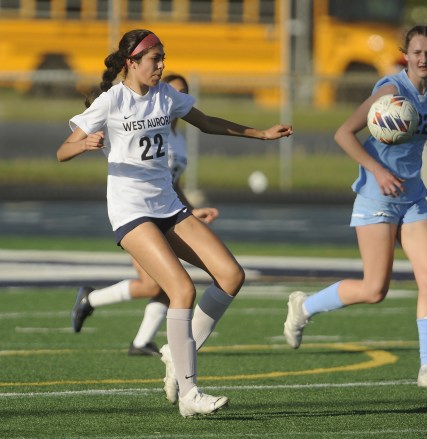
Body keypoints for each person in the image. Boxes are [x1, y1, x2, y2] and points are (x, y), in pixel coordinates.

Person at [57, 29, 292, 417]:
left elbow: (208, 122)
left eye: (163, 57)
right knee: (181, 290)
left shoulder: (166, 96)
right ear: (132, 62)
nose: (161, 65)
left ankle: (176, 354)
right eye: (155, 59)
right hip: (130, 210)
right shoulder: (111, 101)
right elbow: (61, 151)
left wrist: (261, 134)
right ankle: (189, 394)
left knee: (231, 276)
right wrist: (83, 145)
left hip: (167, 205)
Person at [282, 24, 427, 388]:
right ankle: (303, 307)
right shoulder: (390, 89)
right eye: (416, 52)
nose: (423, 58)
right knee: (374, 289)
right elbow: (343, 134)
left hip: (413, 195)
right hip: (377, 195)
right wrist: (379, 171)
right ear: (406, 54)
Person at [70, 73, 220, 358]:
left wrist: (190, 209)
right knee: (157, 283)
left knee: (169, 284)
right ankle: (91, 299)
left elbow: (170, 182)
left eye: (182, 93)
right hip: (136, 212)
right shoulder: (141, 119)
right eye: (172, 91)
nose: (174, 99)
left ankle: (140, 342)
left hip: (165, 209)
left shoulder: (177, 138)